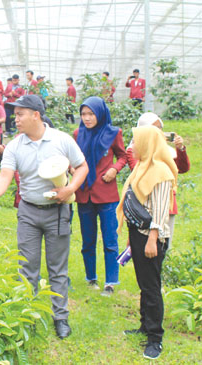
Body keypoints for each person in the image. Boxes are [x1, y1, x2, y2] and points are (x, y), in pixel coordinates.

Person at [0, 95, 88, 339]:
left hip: (58, 212)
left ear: (36, 115)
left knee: (57, 268)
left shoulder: (61, 140)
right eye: (15, 114)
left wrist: (70, 189)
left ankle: (60, 317)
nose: (15, 119)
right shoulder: (15, 146)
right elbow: (5, 176)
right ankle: (27, 316)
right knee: (27, 268)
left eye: (20, 114)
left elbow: (82, 167)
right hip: (28, 212)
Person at [117, 126, 178, 360]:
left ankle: (155, 339)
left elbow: (161, 212)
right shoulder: (143, 167)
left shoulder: (161, 171)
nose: (133, 145)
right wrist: (133, 239)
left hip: (151, 236)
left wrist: (152, 240)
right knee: (144, 284)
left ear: (148, 143)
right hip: (138, 234)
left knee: (152, 288)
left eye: (137, 141)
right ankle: (144, 325)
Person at [73, 96, 127, 295]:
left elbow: (123, 156)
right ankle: (91, 278)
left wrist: (114, 168)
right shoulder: (78, 133)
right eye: (83, 114)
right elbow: (73, 158)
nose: (87, 118)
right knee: (88, 240)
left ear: (100, 114)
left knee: (110, 239)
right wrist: (72, 170)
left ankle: (111, 281)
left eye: (91, 114)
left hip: (106, 194)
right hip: (84, 193)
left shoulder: (114, 133)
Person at [126, 112, 190, 247]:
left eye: (160, 129)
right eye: (154, 129)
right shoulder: (134, 150)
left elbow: (182, 168)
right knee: (142, 244)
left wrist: (180, 149)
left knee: (164, 242)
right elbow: (139, 171)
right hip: (144, 205)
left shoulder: (166, 151)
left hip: (166, 201)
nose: (159, 133)